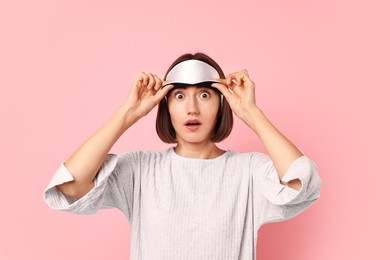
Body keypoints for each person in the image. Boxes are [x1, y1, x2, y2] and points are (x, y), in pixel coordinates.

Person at [43, 52, 322, 259]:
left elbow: (301, 182)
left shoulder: (247, 171)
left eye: (204, 95)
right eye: (179, 96)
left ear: (221, 103)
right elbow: (71, 186)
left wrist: (252, 113)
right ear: (165, 105)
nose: (192, 108)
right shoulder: (141, 170)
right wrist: (127, 114)